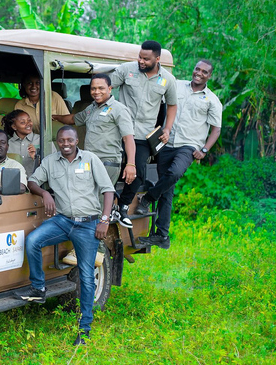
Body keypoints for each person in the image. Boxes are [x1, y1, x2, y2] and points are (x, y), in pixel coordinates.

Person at [17, 126, 115, 346]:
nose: (65, 144)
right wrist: (44, 193)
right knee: (33, 241)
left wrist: (104, 220)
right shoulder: (51, 161)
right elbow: (33, 180)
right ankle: (39, 287)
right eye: (61, 140)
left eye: (69, 140)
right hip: (63, 220)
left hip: (88, 224)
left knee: (87, 276)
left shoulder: (90, 159)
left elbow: (108, 190)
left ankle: (84, 329)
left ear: (77, 140)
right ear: (58, 142)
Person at [135, 60, 222, 250]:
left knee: (174, 173)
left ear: (209, 75)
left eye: (204, 72)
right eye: (197, 69)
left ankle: (148, 198)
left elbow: (216, 129)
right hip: (166, 143)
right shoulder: (176, 86)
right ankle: (162, 235)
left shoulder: (212, 100)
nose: (199, 73)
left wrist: (204, 150)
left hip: (188, 146)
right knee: (167, 191)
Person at [109, 40, 178, 223]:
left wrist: (167, 129)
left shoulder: (168, 80)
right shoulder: (126, 70)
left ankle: (123, 206)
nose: (141, 61)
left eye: (146, 59)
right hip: (118, 130)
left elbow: (172, 106)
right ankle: (107, 205)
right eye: (140, 57)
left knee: (138, 172)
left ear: (157, 58)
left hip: (143, 134)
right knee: (111, 166)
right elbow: (106, 87)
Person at [53, 74, 137, 187]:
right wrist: (55, 117)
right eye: (93, 88)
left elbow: (128, 139)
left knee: (101, 200)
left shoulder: (119, 109)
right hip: (89, 161)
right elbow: (73, 119)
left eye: (101, 88)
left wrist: (131, 164)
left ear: (110, 88)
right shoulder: (91, 108)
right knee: (87, 198)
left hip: (107, 163)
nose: (96, 92)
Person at [2, 109, 39, 178]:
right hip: (13, 185)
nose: (28, 124)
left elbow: (52, 167)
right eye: (23, 122)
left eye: (29, 120)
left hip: (37, 185)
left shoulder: (42, 140)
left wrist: (36, 158)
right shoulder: (7, 145)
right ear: (14, 127)